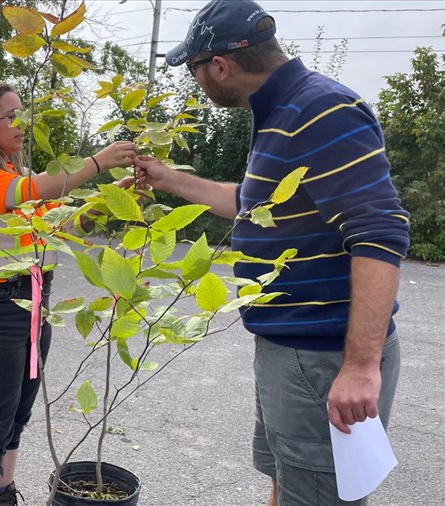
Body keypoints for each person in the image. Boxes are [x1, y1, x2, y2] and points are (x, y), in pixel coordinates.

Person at [134, 1, 410, 505]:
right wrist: (168, 178)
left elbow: (379, 232)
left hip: (325, 356)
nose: (197, 82)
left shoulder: (321, 111)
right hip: (291, 351)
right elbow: (251, 203)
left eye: (195, 70)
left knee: (319, 495)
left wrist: (359, 366)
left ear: (220, 66)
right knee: (288, 480)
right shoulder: (282, 113)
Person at [0, 82, 140, 506]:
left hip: (34, 308)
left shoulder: (18, 176)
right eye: (10, 116)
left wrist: (112, 201)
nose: (21, 124)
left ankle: (2, 492)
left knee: (17, 416)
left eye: (23, 114)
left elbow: (64, 226)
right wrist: (96, 163)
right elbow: (35, 191)